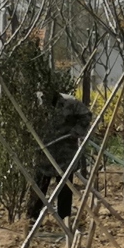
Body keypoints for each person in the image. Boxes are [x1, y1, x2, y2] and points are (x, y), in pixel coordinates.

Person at [27, 93, 92, 222]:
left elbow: (86, 115)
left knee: (65, 186)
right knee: (39, 185)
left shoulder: (70, 103)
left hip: (65, 153)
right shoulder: (35, 102)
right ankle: (32, 217)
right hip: (44, 152)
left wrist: (76, 131)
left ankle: (64, 218)